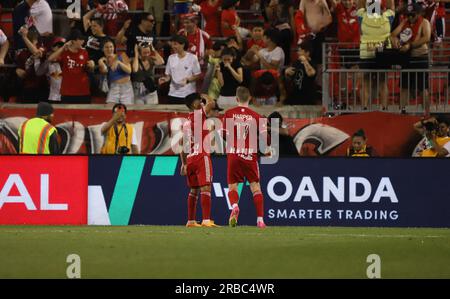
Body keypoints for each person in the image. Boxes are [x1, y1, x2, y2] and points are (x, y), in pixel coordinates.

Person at [223, 86, 267, 228]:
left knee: (233, 186)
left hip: (234, 154)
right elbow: (266, 138)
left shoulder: (229, 113)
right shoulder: (256, 116)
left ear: (236, 99)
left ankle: (235, 205)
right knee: (255, 187)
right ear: (250, 99)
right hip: (249, 154)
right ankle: (260, 220)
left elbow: (224, 134)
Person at [180, 92, 219, 227]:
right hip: (201, 156)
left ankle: (190, 221)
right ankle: (206, 220)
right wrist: (206, 95)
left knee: (194, 190)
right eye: (199, 100)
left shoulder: (186, 123)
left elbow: (182, 145)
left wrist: (184, 163)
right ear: (193, 104)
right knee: (206, 187)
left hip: (190, 158)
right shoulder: (198, 114)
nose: (202, 102)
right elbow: (212, 104)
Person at [391, 3, 431, 114]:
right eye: (408, 15)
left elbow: (426, 37)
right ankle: (402, 111)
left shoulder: (424, 22)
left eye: (412, 15)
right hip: (407, 58)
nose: (410, 17)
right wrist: (395, 42)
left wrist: (410, 45)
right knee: (404, 86)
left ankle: (426, 112)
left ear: (419, 14)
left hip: (420, 58)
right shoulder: (405, 22)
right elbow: (393, 34)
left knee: (423, 87)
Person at [357, 0, 395, 110]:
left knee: (365, 82)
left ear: (368, 8)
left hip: (366, 54)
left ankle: (364, 108)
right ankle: (384, 108)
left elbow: (360, 4)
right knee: (383, 82)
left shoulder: (362, 16)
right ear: (380, 8)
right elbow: (392, 7)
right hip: (383, 54)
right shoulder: (387, 17)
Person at [48, 29, 95, 104]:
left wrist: (91, 66)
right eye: (81, 39)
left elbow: (88, 69)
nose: (83, 41)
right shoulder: (64, 52)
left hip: (83, 92)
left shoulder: (84, 52)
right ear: (73, 40)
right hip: (67, 92)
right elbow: (50, 59)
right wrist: (63, 47)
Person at [159, 35, 202, 104]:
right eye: (172, 44)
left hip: (189, 94)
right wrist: (165, 79)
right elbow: (168, 75)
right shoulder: (171, 58)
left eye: (175, 44)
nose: (173, 46)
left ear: (183, 45)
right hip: (172, 94)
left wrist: (187, 80)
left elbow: (197, 75)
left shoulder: (193, 58)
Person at [282, 40, 319, 105]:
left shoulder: (313, 63)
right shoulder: (296, 63)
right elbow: (290, 77)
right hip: (295, 95)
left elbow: (311, 74)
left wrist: (305, 61)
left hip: (307, 95)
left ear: (307, 52)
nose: (298, 53)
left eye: (300, 51)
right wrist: (287, 72)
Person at [98, 38, 133, 105]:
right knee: (110, 110)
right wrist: (101, 62)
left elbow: (129, 70)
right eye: (106, 47)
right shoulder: (103, 60)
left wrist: (119, 62)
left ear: (114, 48)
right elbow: (104, 72)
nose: (109, 49)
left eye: (111, 47)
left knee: (127, 110)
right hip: (113, 87)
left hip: (126, 87)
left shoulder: (122, 55)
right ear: (102, 49)